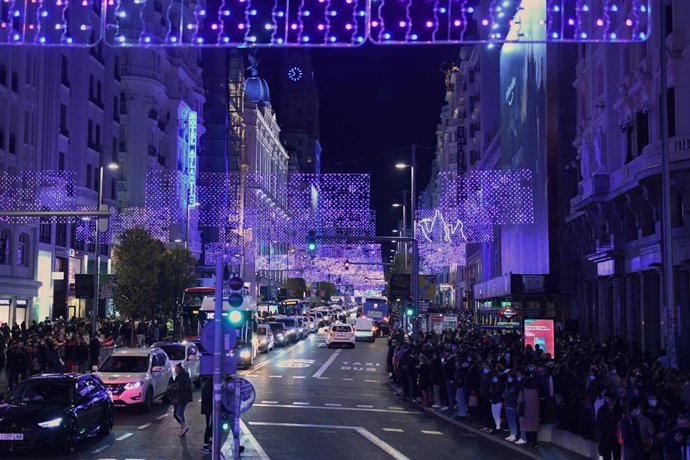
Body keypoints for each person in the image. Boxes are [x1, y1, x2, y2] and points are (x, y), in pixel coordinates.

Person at [168, 363, 193, 437]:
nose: (176, 371)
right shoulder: (179, 376)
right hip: (178, 398)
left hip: (182, 398)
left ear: (180, 369)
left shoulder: (183, 376)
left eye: (177, 369)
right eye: (175, 369)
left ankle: (184, 426)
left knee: (178, 413)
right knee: (177, 414)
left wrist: (170, 386)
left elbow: (178, 386)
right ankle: (183, 427)